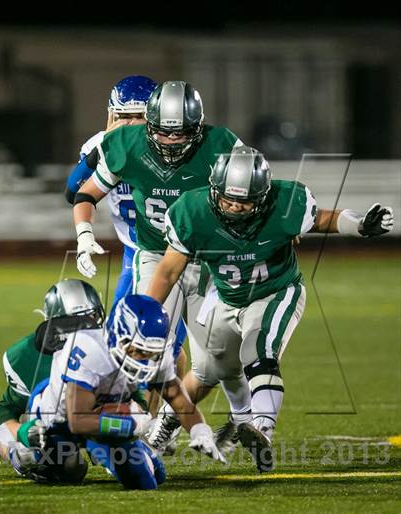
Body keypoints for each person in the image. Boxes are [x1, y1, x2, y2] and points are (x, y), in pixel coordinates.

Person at [145, 145, 394, 472]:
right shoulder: (191, 211)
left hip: (275, 291)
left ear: (263, 196)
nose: (234, 208)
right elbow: (168, 270)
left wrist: (359, 224)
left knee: (258, 350)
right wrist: (145, 311)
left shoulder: (285, 204)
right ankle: (169, 421)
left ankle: (260, 429)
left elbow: (323, 220)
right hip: (225, 295)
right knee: (208, 372)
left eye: (245, 201)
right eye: (228, 199)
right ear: (213, 189)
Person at [72, 80, 242, 407]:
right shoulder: (124, 144)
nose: (171, 141)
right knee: (145, 339)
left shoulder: (220, 143)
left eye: (181, 133)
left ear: (198, 127)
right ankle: (136, 421)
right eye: (164, 131)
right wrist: (84, 234)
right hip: (152, 252)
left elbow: (251, 186)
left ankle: (231, 416)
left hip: (206, 256)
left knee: (215, 359)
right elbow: (80, 193)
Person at [25, 293, 224, 490]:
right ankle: (19, 454)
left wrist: (200, 430)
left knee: (149, 480)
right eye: (137, 351)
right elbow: (78, 420)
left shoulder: (155, 355)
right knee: (70, 470)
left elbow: (177, 397)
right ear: (117, 336)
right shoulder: (91, 349)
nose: (143, 360)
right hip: (58, 422)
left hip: (104, 414)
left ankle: (106, 452)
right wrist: (131, 424)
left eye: (151, 353)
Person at [65, 75, 188, 383]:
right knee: (121, 340)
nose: (131, 124)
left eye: (139, 116)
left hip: (182, 252)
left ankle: (166, 419)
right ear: (111, 116)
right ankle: (139, 417)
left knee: (168, 341)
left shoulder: (171, 145)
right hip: (136, 254)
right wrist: (106, 144)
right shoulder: (101, 145)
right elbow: (73, 190)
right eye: (123, 116)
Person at [0, 278, 106, 482]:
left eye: (92, 316)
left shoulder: (110, 343)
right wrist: (23, 432)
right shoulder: (26, 357)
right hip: (52, 425)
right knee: (62, 467)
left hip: (88, 416)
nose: (91, 325)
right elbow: (8, 409)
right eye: (80, 320)